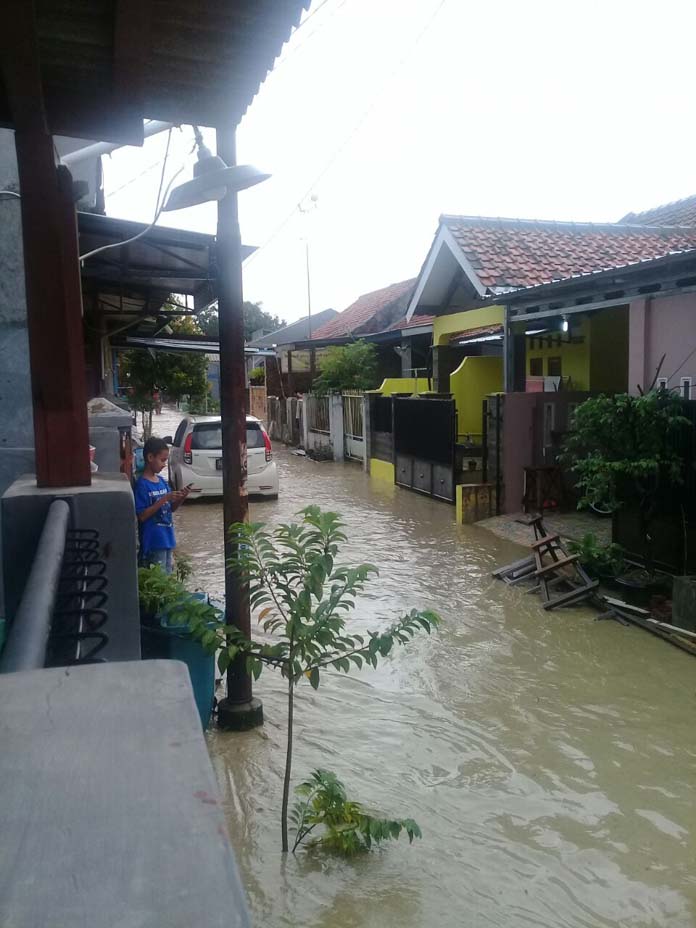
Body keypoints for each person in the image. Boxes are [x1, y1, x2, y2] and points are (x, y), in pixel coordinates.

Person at [134, 437, 190, 573]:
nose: (164, 464)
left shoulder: (162, 482)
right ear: (150, 457)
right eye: (162, 460)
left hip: (168, 539)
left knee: (167, 579)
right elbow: (142, 516)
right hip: (153, 542)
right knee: (158, 579)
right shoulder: (142, 485)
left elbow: (171, 508)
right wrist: (164, 499)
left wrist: (181, 497)